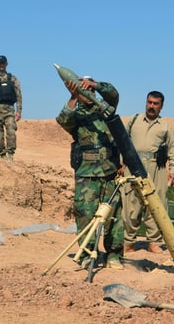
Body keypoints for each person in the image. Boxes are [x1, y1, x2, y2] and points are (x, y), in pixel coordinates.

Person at [56, 75, 125, 270]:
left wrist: (95, 85)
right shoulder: (76, 116)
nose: (88, 92)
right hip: (86, 174)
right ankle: (86, 254)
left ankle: (114, 255)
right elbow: (62, 120)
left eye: (90, 89)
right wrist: (73, 97)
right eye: (83, 89)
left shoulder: (106, 110)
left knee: (113, 216)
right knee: (85, 214)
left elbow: (113, 93)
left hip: (110, 172)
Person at [120, 91, 174, 254]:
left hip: (156, 167)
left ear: (161, 106)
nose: (151, 106)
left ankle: (153, 242)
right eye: (149, 102)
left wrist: (173, 171)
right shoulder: (134, 120)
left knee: (156, 204)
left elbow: (173, 149)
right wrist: (120, 161)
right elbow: (122, 141)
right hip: (133, 165)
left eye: (155, 104)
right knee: (131, 204)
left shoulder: (165, 126)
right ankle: (128, 242)